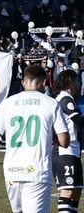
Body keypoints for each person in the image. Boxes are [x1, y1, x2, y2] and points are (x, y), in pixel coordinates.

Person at [0, 64, 70, 213]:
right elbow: (64, 141)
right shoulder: (51, 103)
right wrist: (47, 135)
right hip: (37, 172)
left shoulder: (7, 103)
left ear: (23, 82)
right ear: (44, 82)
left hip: (12, 172)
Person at [53, 69, 84, 213]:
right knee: (68, 190)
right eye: (77, 81)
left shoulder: (69, 99)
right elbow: (78, 120)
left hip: (74, 151)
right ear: (70, 82)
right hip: (64, 150)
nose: (79, 84)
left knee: (77, 190)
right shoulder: (64, 99)